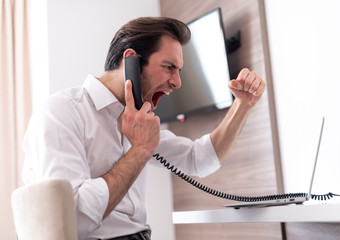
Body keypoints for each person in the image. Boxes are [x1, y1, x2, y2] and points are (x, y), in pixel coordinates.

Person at [22, 17, 266, 240]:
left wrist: (242, 105)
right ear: (131, 61)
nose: (177, 82)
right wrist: (139, 150)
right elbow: (74, 218)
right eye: (169, 67)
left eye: (179, 70)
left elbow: (199, 159)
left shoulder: (139, 119)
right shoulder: (61, 112)